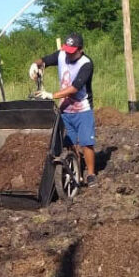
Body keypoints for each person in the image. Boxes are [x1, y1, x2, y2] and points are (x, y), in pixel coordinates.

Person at [29, 32, 98, 186]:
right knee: (70, 144)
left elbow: (74, 88)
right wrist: (35, 65)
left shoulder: (86, 64)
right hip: (65, 109)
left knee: (87, 142)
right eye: (66, 50)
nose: (68, 54)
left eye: (72, 52)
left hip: (83, 109)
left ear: (80, 50)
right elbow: (45, 60)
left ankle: (91, 175)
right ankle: (76, 172)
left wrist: (51, 95)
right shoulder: (62, 55)